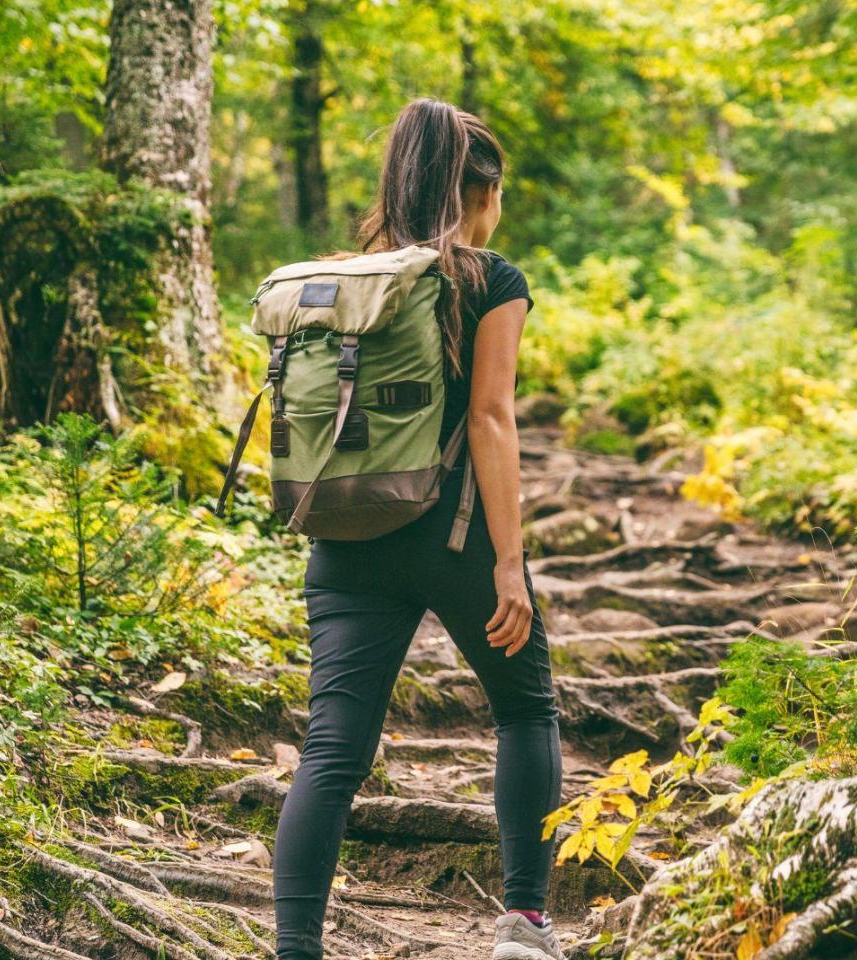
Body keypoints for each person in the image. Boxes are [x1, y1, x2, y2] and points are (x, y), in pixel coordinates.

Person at [271, 98, 564, 960]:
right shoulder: (488, 278)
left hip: (348, 536)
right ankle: (523, 925)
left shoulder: (350, 282)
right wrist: (510, 565)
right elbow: (490, 420)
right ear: (483, 191)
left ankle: (296, 949)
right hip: (454, 539)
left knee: (331, 749)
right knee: (524, 710)